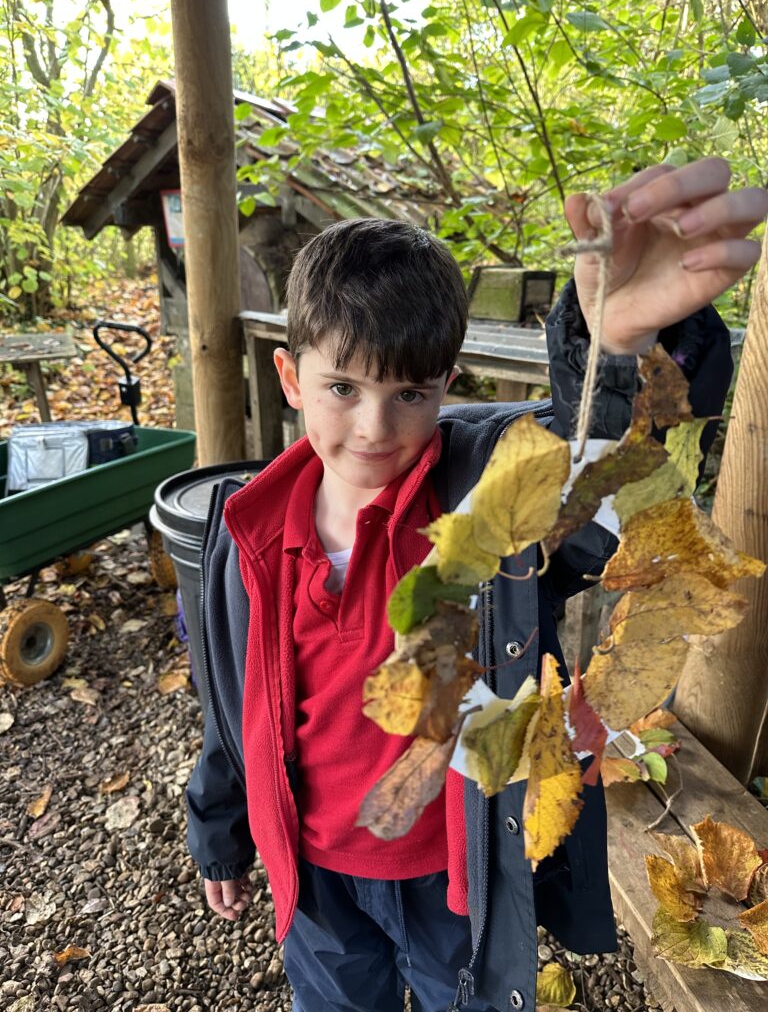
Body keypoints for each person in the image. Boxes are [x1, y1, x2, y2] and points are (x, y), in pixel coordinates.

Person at [186, 158, 767, 1012]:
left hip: (455, 870)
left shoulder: (479, 496)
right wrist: (220, 834)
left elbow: (594, 480)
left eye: (409, 392)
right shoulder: (245, 536)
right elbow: (231, 705)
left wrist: (616, 351)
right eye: (342, 388)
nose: (375, 427)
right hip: (315, 877)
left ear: (446, 385)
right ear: (289, 377)